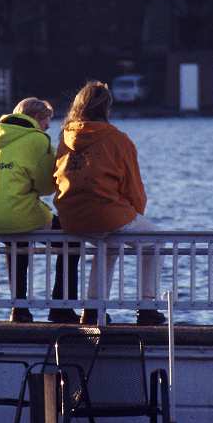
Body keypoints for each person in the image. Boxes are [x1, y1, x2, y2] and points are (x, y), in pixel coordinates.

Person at [0, 97, 80, 323]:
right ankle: (61, 306)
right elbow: (45, 185)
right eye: (47, 121)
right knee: (70, 241)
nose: (48, 127)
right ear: (36, 118)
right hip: (19, 212)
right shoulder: (36, 140)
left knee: (17, 243)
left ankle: (19, 309)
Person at [53, 81, 165, 326]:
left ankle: (92, 310)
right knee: (154, 242)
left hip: (70, 216)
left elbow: (57, 176)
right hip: (106, 214)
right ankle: (147, 306)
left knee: (109, 245)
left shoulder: (65, 136)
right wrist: (133, 213)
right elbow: (132, 186)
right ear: (107, 107)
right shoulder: (117, 139)